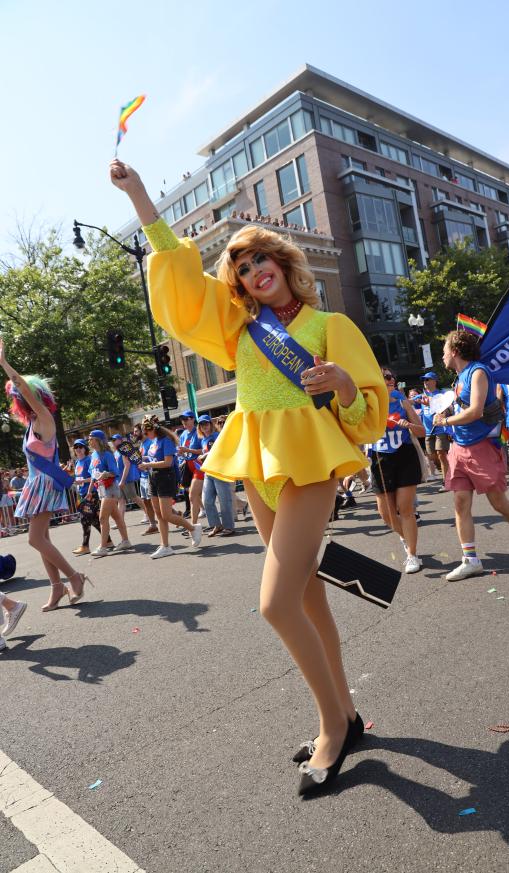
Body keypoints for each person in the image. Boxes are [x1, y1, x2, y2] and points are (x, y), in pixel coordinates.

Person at [111, 158, 387, 796]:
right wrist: (141, 195)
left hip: (310, 464)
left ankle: (331, 730)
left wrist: (343, 381)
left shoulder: (329, 326)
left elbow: (367, 413)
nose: (253, 272)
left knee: (275, 603)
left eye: (261, 261)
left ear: (284, 264)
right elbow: (180, 285)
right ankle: (345, 711)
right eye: (240, 268)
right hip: (254, 461)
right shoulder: (239, 328)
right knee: (307, 593)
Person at [433, 330, 509, 580]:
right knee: (460, 503)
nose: (443, 356)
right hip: (459, 448)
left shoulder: (479, 372)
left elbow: (475, 412)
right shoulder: (459, 378)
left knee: (498, 502)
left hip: (483, 447)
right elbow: (463, 408)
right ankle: (470, 559)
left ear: (455, 351)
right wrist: (445, 414)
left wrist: (444, 421)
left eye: (444, 350)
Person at [0, 339, 89, 610]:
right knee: (43, 539)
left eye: (22, 393)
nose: (20, 396)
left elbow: (24, 387)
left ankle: (74, 578)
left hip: (46, 484)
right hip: (36, 483)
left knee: (35, 538)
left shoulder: (44, 417)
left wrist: (3, 363)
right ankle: (57, 587)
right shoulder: (31, 424)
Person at [370, 369, 426, 573]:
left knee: (405, 509)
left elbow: (422, 431)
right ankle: (405, 537)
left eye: (392, 377)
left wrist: (408, 424)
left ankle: (412, 554)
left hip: (404, 456)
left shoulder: (402, 401)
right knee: (386, 515)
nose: (390, 380)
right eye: (385, 377)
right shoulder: (370, 403)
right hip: (379, 459)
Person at [139, 416, 202, 558]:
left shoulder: (165, 440)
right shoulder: (153, 441)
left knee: (167, 515)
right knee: (159, 515)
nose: (144, 434)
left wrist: (148, 464)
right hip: (153, 477)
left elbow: (167, 462)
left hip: (165, 478)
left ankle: (193, 528)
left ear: (152, 430)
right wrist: (145, 460)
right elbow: (155, 458)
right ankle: (165, 546)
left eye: (145, 431)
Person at [87, 430, 132, 556]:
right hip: (101, 488)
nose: (89, 441)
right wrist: (90, 490)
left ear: (98, 440)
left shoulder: (107, 454)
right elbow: (93, 474)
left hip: (110, 488)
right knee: (116, 516)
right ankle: (125, 541)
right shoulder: (94, 455)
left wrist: (106, 474)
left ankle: (103, 547)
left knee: (102, 518)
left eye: (91, 438)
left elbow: (115, 472)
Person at [71, 438, 112, 555]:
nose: (78, 449)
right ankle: (108, 541)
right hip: (82, 493)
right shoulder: (78, 462)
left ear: (85, 448)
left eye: (80, 447)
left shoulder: (88, 460)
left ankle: (85, 546)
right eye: (76, 447)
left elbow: (94, 476)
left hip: (91, 493)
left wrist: (83, 481)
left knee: (84, 520)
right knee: (94, 520)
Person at [419, 371, 452, 490]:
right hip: (428, 431)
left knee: (441, 453)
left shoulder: (441, 394)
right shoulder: (421, 396)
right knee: (432, 456)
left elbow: (447, 407)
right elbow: (409, 403)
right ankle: (447, 470)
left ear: (434, 381)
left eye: (428, 379)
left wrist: (431, 404)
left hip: (440, 429)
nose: (425, 382)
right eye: (424, 380)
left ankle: (446, 481)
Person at [201, 429, 236, 536]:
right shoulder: (203, 439)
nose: (204, 426)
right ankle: (217, 525)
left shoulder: (217, 435)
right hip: (208, 471)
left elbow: (221, 448)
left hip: (219, 470)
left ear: (211, 425)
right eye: (201, 424)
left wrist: (205, 454)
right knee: (206, 500)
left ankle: (229, 527)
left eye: (206, 423)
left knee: (224, 500)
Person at [133, 424, 159, 534]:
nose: (135, 434)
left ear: (142, 431)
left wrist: (143, 458)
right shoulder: (142, 444)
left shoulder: (150, 442)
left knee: (154, 502)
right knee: (146, 502)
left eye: (136, 431)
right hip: (143, 476)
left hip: (150, 475)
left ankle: (176, 515)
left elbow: (154, 457)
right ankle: (153, 525)